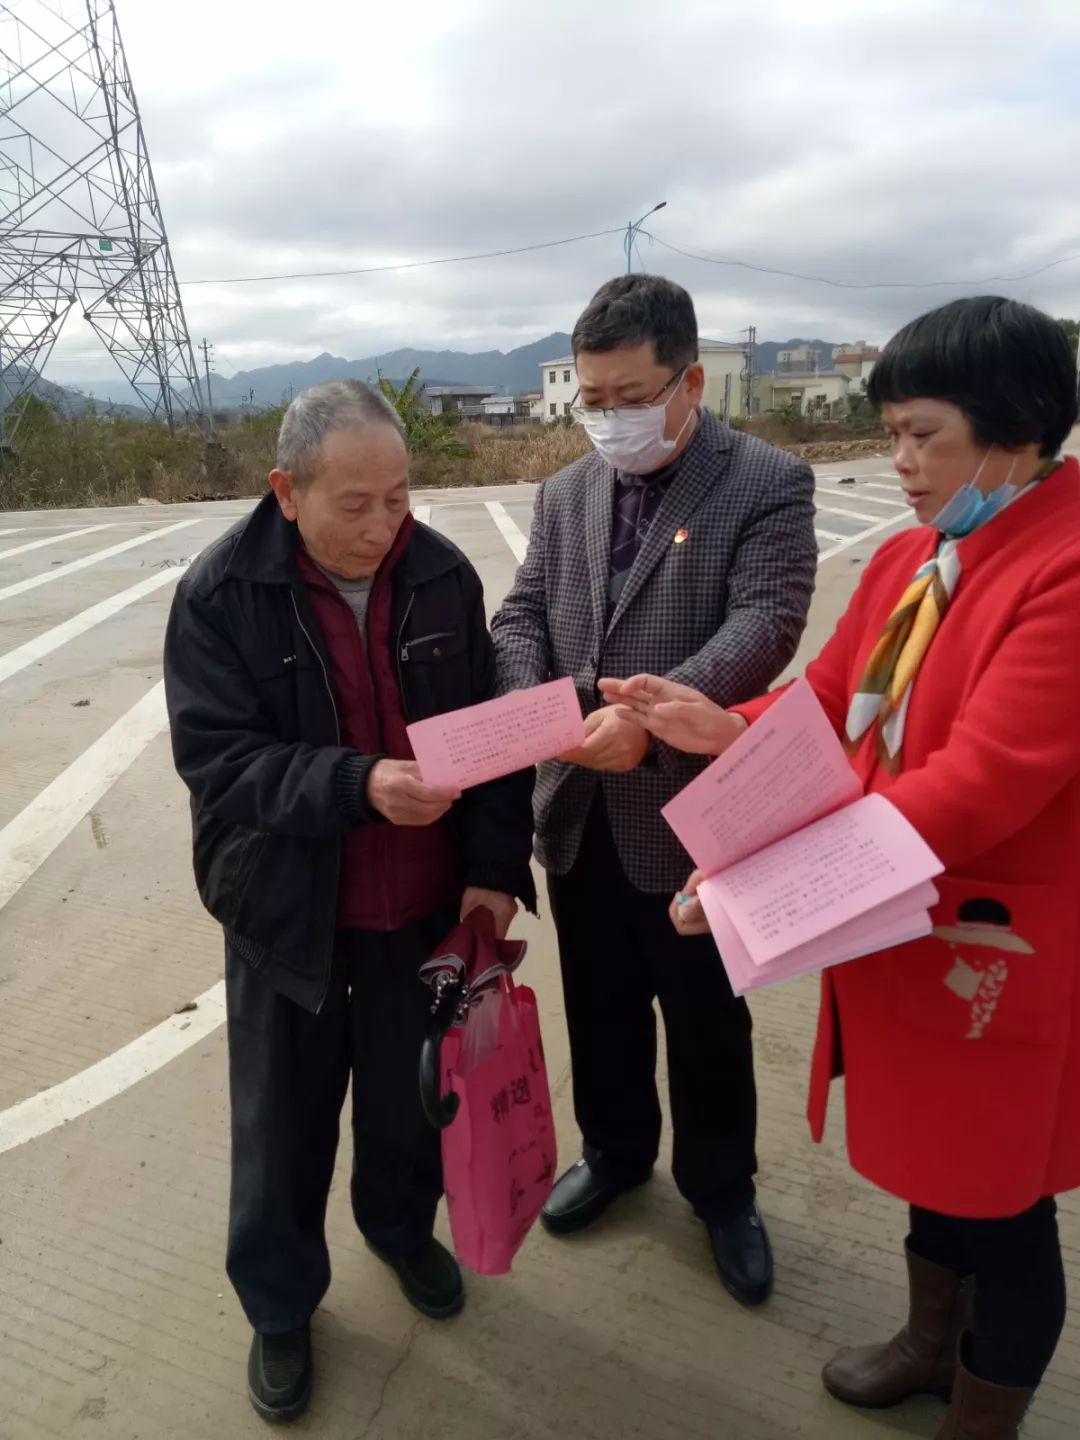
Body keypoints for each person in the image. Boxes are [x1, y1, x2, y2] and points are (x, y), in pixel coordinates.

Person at [602, 296, 1080, 1439]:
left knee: (1002, 1196)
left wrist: (769, 888)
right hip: (901, 915)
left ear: (1017, 433)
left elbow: (981, 784)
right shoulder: (923, 555)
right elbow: (829, 701)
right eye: (892, 432)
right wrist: (723, 724)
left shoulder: (1063, 570)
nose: (900, 461)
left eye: (924, 434)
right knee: (934, 1160)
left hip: (992, 940)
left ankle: (984, 1412)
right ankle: (929, 1341)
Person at [163, 380, 535, 1423]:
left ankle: (401, 1229)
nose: (383, 526)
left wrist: (493, 871)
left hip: (421, 912)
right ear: (287, 492)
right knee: (281, 1127)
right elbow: (219, 762)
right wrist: (358, 784)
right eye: (355, 504)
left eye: (399, 497)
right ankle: (280, 1304)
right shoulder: (221, 595)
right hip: (291, 915)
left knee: (409, 1103)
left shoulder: (441, 576)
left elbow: (494, 739)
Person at [491, 274, 818, 1304]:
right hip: (578, 805)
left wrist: (651, 717)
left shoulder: (764, 481)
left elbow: (766, 620)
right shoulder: (566, 493)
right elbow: (523, 614)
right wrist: (539, 713)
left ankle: (722, 1191)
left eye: (630, 397)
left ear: (690, 382)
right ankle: (617, 1152)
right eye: (592, 399)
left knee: (708, 1020)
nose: (608, 418)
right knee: (600, 1004)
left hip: (691, 812)